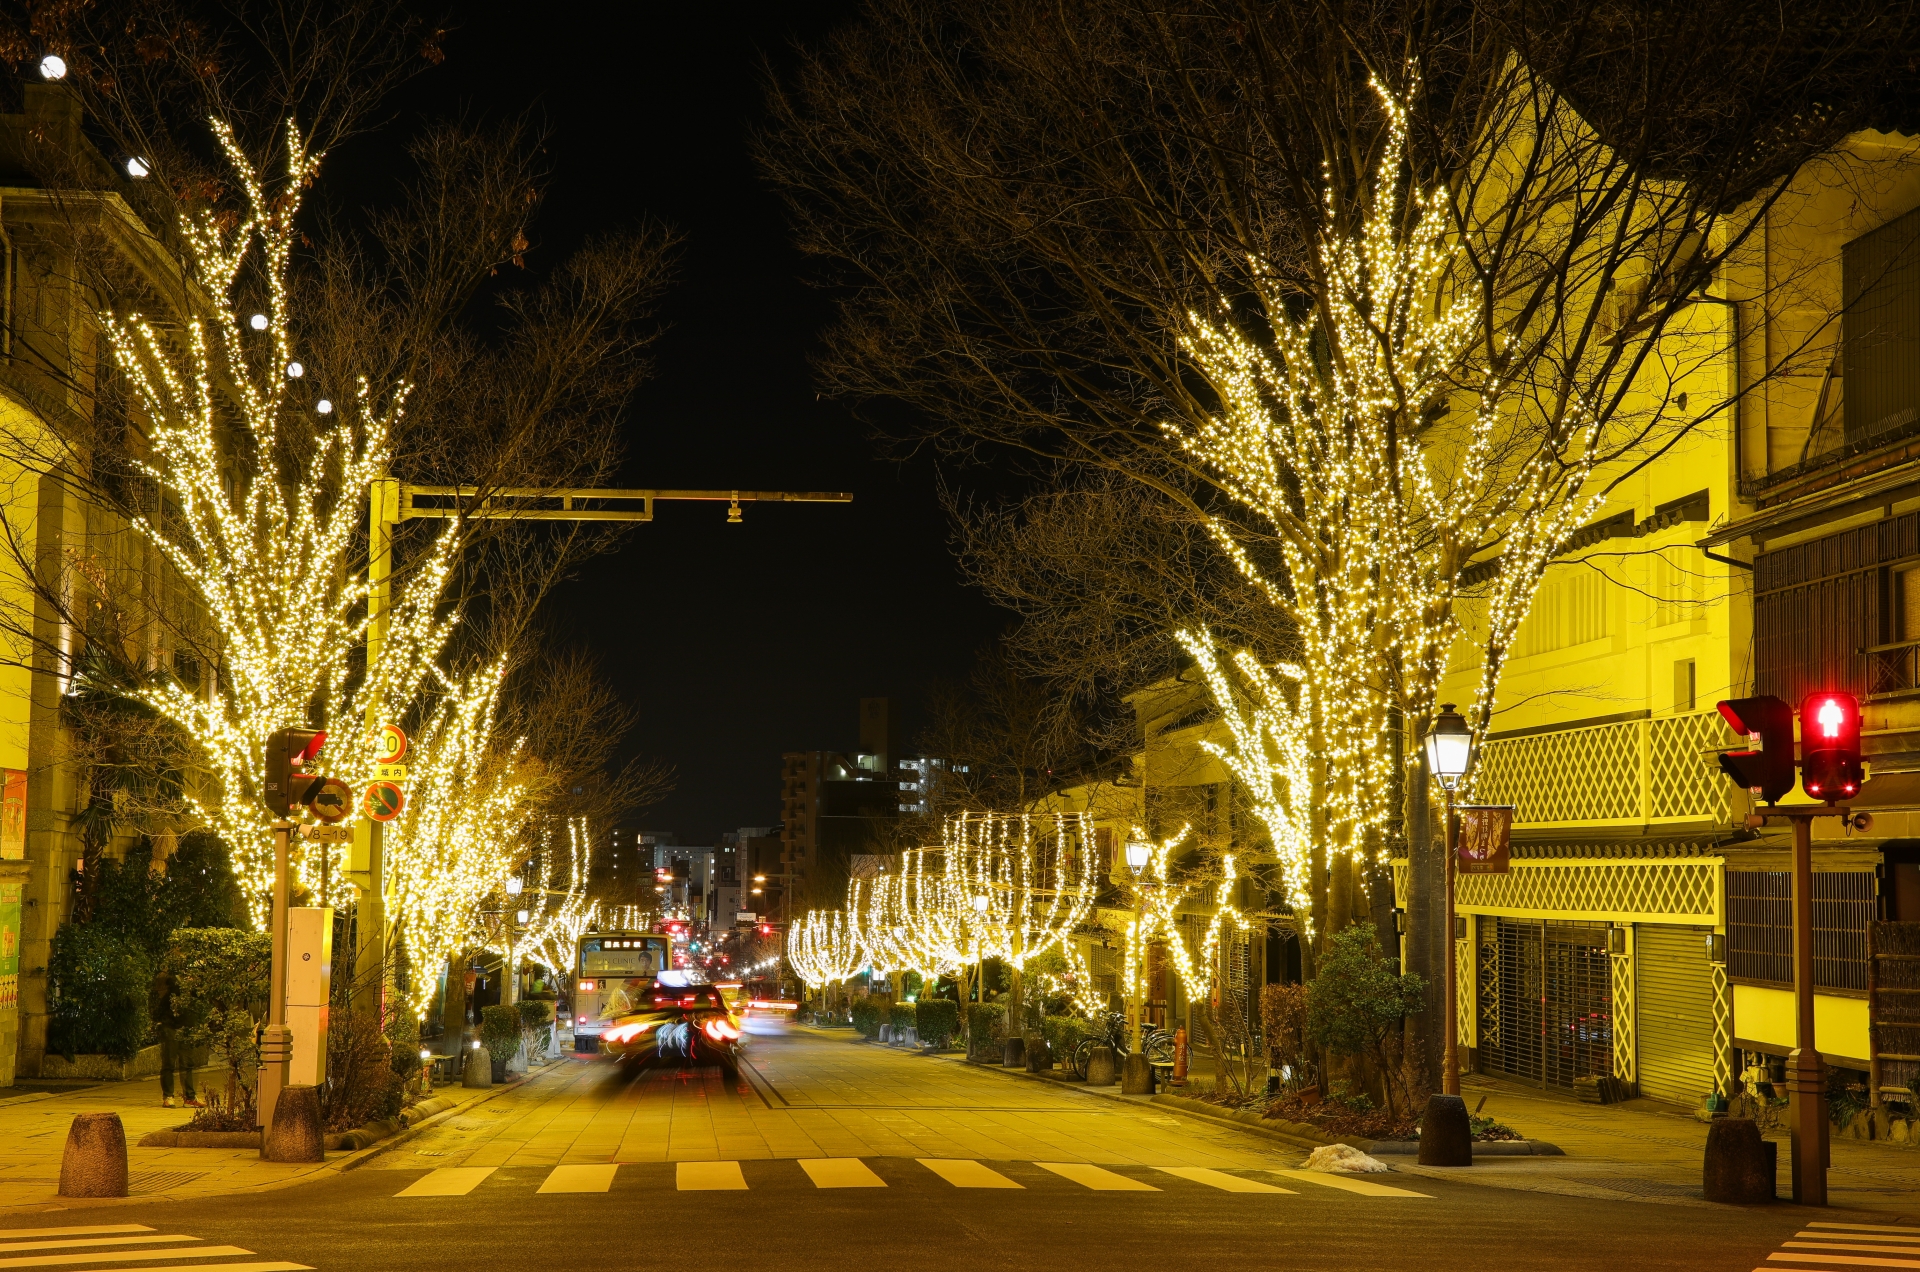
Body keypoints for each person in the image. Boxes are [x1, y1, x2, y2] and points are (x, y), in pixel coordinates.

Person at [149, 966, 201, 1110]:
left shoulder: (191, 992)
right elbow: (159, 1009)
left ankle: (189, 1097)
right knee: (169, 1064)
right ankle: (169, 1096)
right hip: (172, 1028)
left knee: (187, 1064)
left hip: (184, 1028)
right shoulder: (171, 990)